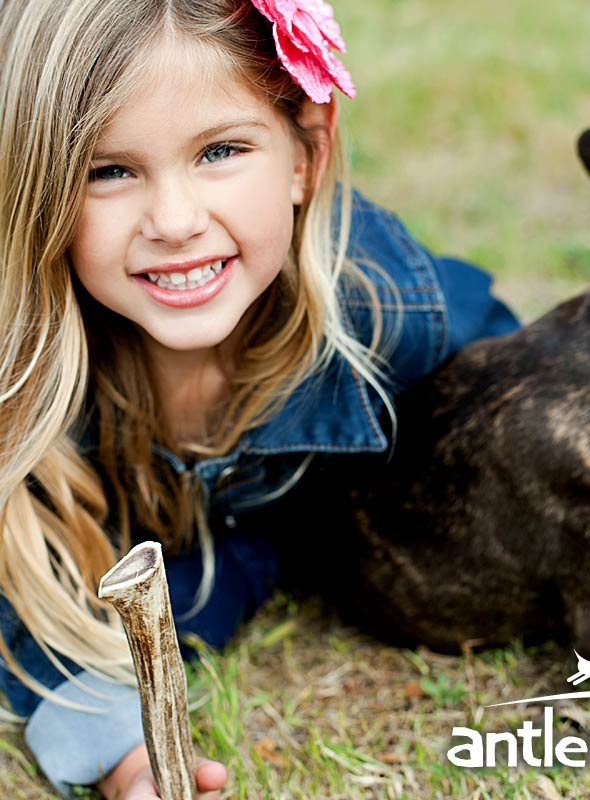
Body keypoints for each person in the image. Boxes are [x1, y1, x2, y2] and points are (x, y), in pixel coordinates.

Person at [0, 0, 519, 796]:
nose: (174, 222)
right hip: (175, 549)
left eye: (221, 151)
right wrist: (125, 757)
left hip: (316, 516)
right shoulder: (27, 373)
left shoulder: (383, 307)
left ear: (305, 155)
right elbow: (24, 601)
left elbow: (513, 378)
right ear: (36, 192)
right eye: (109, 170)